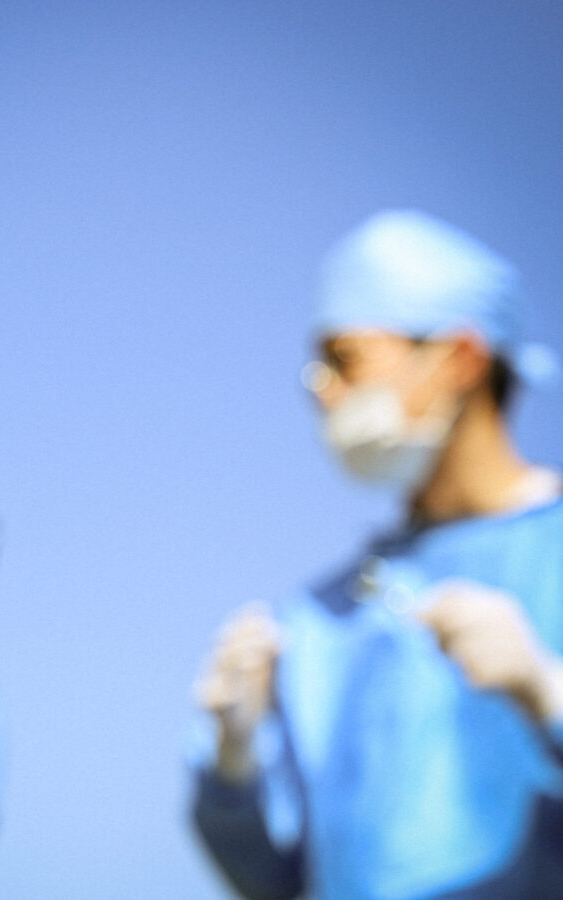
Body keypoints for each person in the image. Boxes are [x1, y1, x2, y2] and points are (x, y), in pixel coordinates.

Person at [190, 210, 563, 900]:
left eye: (345, 360)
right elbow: (271, 880)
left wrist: (548, 693)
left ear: (461, 359)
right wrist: (234, 761)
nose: (320, 390)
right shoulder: (322, 618)